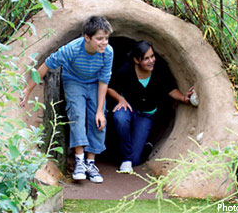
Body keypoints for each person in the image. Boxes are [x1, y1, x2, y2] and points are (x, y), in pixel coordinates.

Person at [20, 16, 113, 183]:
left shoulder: (108, 52)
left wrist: (100, 110)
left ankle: (90, 163)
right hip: (74, 80)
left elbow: (104, 80)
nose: (104, 42)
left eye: (106, 38)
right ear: (87, 37)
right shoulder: (72, 49)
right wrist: (27, 90)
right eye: (99, 38)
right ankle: (79, 161)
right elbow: (46, 65)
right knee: (77, 114)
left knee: (98, 119)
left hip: (95, 83)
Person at [107, 40, 193, 172]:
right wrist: (120, 99)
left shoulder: (159, 71)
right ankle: (125, 159)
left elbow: (170, 89)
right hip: (128, 108)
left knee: (135, 159)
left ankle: (146, 147)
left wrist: (183, 98)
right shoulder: (126, 69)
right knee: (119, 118)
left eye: (152, 56)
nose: (151, 60)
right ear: (136, 60)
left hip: (146, 114)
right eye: (146, 58)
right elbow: (110, 88)